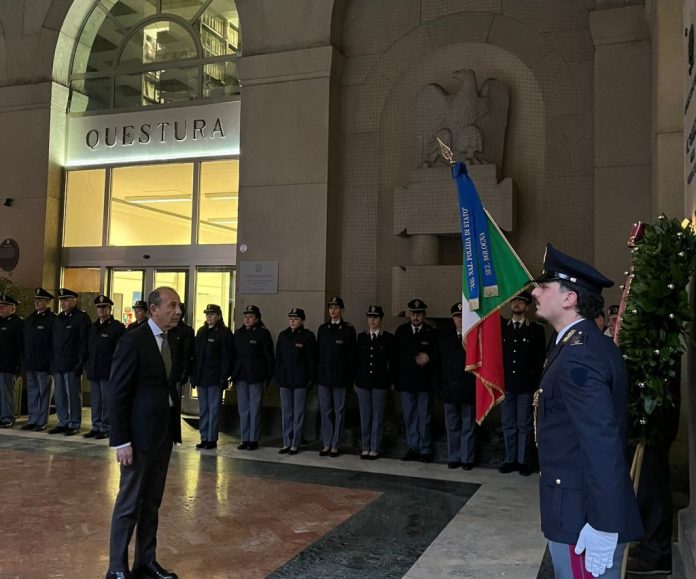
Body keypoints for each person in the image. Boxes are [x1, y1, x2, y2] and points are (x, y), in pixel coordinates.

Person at [532, 243, 643, 579]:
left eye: (545, 286)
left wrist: (604, 525)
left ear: (570, 298)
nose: (535, 291)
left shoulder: (579, 354)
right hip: (574, 504)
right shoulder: (579, 344)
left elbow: (601, 441)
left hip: (581, 516)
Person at [106, 287, 183, 579]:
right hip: (137, 439)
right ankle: (116, 568)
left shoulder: (170, 340)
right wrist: (121, 441)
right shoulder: (132, 341)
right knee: (129, 503)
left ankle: (145, 562)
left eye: (178, 306)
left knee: (151, 503)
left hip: (162, 435)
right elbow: (118, 393)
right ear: (153, 309)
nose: (177, 311)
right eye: (171, 305)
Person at [499, 291, 546, 476]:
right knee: (508, 424)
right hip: (506, 385)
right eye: (514, 301)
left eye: (521, 302)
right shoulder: (502, 328)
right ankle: (510, 459)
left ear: (527, 306)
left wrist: (536, 385)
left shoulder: (535, 330)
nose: (517, 304)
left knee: (524, 425)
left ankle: (523, 461)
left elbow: (540, 360)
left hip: (526, 385)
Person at [394, 298, 438, 462]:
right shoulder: (401, 331)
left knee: (424, 417)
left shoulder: (431, 333)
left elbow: (438, 357)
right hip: (406, 382)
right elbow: (396, 358)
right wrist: (395, 380)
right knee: (410, 417)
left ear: (423, 315)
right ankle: (413, 447)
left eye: (418, 314)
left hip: (424, 383)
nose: (415, 317)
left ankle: (425, 449)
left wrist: (429, 359)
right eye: (413, 313)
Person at [435, 302, 476, 469]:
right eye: (457, 316)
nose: (460, 319)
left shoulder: (474, 337)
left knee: (468, 425)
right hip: (450, 389)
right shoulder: (445, 338)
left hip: (468, 388)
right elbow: (438, 365)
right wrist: (440, 387)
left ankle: (467, 458)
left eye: (462, 316)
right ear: (452, 319)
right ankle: (454, 456)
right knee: (452, 425)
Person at [316, 296, 356, 457]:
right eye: (331, 307)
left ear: (342, 310)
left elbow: (351, 357)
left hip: (340, 377)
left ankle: (335, 444)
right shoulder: (323, 329)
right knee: (326, 411)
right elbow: (318, 355)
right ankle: (327, 442)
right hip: (324, 377)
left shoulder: (348, 329)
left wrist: (350, 379)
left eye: (336, 307)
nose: (333, 310)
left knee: (339, 411)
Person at [231, 304, 274, 451]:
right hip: (241, 375)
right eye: (245, 317)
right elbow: (234, 355)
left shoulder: (262, 333)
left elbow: (269, 356)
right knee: (243, 409)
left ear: (257, 319)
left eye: (250, 317)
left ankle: (253, 439)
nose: (247, 319)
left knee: (255, 409)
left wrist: (267, 376)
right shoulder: (239, 334)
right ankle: (244, 438)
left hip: (256, 376)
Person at [354, 305, 394, 460]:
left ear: (380, 319)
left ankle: (375, 447)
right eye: (370, 317)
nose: (372, 320)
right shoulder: (361, 337)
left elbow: (392, 362)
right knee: (365, 415)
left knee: (378, 415)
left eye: (375, 317)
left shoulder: (387, 338)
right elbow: (356, 361)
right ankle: (365, 446)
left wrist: (391, 381)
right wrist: (355, 380)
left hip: (380, 382)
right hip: (363, 381)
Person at [49, 288, 90, 436]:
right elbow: (53, 342)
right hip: (58, 363)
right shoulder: (59, 318)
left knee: (73, 396)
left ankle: (74, 423)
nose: (63, 303)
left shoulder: (81, 318)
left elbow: (84, 342)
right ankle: (63, 422)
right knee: (59, 396)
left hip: (72, 364)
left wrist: (80, 362)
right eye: (61, 300)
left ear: (74, 300)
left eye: (66, 300)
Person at [275, 307, 316, 455]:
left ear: (302, 321)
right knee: (286, 412)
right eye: (291, 319)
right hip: (285, 380)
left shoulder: (307, 336)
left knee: (298, 412)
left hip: (300, 380)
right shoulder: (283, 335)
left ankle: (295, 443)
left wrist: (310, 379)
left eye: (296, 319)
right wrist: (278, 376)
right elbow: (278, 358)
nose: (292, 321)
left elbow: (311, 359)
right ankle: (286, 441)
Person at [192, 304, 233, 450]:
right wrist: (194, 375)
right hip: (202, 377)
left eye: (212, 314)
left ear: (219, 316)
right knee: (203, 409)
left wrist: (224, 376)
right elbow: (196, 356)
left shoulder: (224, 333)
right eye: (207, 314)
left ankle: (212, 438)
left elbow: (227, 357)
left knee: (214, 409)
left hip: (215, 377)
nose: (209, 316)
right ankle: (204, 437)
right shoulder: (202, 332)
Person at [85, 295, 125, 439]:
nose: (101, 310)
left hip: (108, 371)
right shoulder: (93, 327)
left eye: (104, 307)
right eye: (99, 307)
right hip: (94, 369)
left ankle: (106, 427)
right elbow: (88, 348)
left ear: (110, 308)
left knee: (107, 401)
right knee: (95, 401)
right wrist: (87, 364)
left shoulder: (117, 328)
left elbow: (120, 352)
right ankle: (96, 425)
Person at [21, 288, 56, 431]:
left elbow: (53, 344)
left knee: (44, 393)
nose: (37, 302)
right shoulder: (30, 319)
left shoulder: (52, 319)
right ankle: (33, 419)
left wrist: (51, 363)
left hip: (44, 363)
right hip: (31, 362)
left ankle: (41, 421)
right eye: (36, 300)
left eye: (40, 300)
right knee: (33, 393)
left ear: (48, 302)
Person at [0, 294, 23, 428]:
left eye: (4, 306)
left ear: (13, 308)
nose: (1, 308)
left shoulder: (17, 323)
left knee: (6, 392)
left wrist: (18, 363)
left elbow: (20, 345)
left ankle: (7, 417)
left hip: (8, 364)